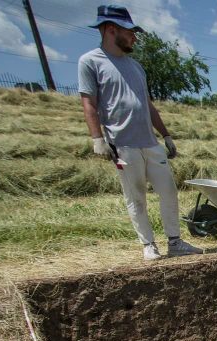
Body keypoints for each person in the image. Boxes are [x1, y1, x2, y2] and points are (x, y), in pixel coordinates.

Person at [78, 5, 202, 261]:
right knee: (136, 196)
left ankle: (175, 241)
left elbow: (148, 105)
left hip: (150, 141)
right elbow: (88, 103)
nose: (134, 37)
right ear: (111, 29)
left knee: (168, 191)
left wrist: (166, 135)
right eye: (130, 31)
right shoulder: (90, 62)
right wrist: (97, 138)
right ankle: (149, 244)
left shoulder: (136, 67)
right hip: (123, 144)